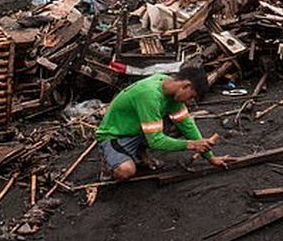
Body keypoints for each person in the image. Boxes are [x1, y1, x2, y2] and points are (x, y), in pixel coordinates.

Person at [95, 67, 231, 181]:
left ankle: (139, 152)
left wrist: (211, 158)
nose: (189, 102)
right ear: (186, 86)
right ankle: (109, 163)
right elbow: (155, 141)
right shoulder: (149, 95)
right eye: (191, 97)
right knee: (126, 171)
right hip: (115, 136)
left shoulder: (169, 88)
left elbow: (187, 125)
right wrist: (192, 145)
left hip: (137, 129)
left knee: (179, 126)